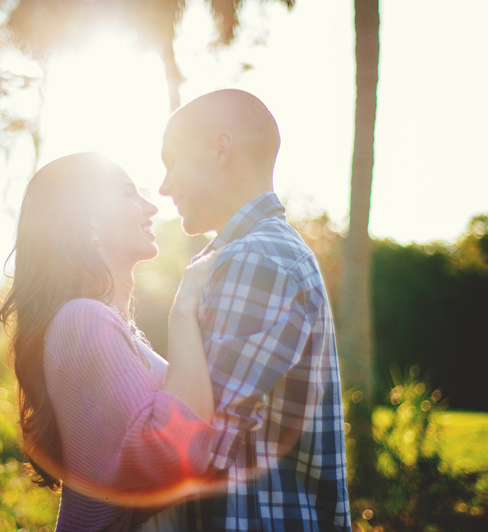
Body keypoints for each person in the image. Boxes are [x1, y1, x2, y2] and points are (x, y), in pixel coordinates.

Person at [159, 89, 352, 531]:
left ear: (220, 148)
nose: (164, 185)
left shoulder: (257, 259)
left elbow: (198, 446)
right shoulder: (253, 254)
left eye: (172, 162)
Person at [0, 152, 221, 531]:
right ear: (87, 221)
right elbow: (166, 454)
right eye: (128, 194)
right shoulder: (82, 320)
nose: (151, 207)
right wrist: (184, 311)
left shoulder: (106, 323)